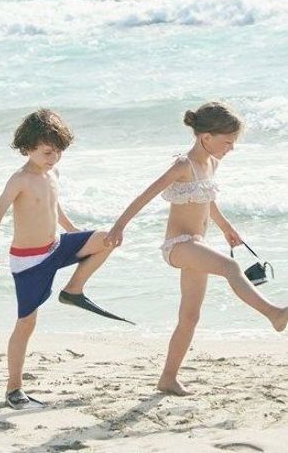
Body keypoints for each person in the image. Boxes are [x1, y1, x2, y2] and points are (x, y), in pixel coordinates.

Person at [105, 101, 288, 396]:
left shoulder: (211, 163)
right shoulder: (183, 165)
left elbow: (207, 201)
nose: (231, 148)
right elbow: (144, 196)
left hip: (198, 245)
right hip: (178, 246)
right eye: (228, 142)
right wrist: (118, 227)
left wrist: (227, 228)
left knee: (190, 317)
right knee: (230, 268)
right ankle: (274, 314)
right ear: (207, 137)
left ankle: (168, 378)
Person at [0, 108, 129, 410]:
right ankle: (14, 389)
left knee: (108, 238)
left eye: (58, 152)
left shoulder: (53, 173)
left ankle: (73, 290)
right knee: (26, 323)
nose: (53, 158)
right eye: (48, 152)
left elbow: (54, 206)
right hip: (29, 261)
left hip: (55, 246)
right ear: (27, 148)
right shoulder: (20, 179)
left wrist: (72, 230)